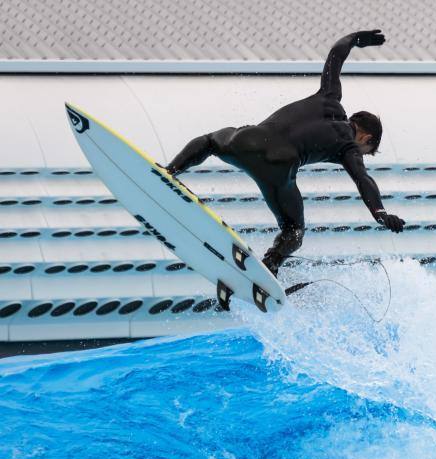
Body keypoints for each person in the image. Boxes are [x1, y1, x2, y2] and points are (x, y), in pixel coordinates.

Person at [163, 29, 405, 276]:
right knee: (294, 230)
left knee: (209, 141)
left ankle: (170, 171)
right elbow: (363, 179)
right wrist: (380, 213)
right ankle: (270, 265)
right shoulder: (349, 147)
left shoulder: (329, 96)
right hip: (280, 167)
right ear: (366, 138)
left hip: (249, 140)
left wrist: (355, 39)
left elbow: (336, 54)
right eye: (367, 151)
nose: (361, 155)